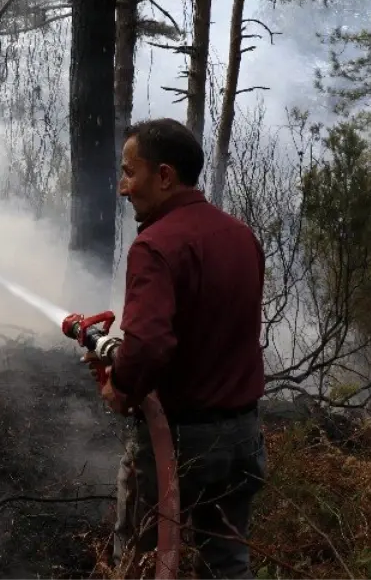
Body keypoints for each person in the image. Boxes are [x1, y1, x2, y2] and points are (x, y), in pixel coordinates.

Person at [102, 118, 267, 580]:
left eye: (130, 172)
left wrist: (120, 386)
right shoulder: (241, 236)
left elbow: (150, 343)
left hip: (177, 440)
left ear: (165, 176)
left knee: (142, 562)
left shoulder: (155, 246)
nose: (122, 187)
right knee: (229, 564)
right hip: (242, 437)